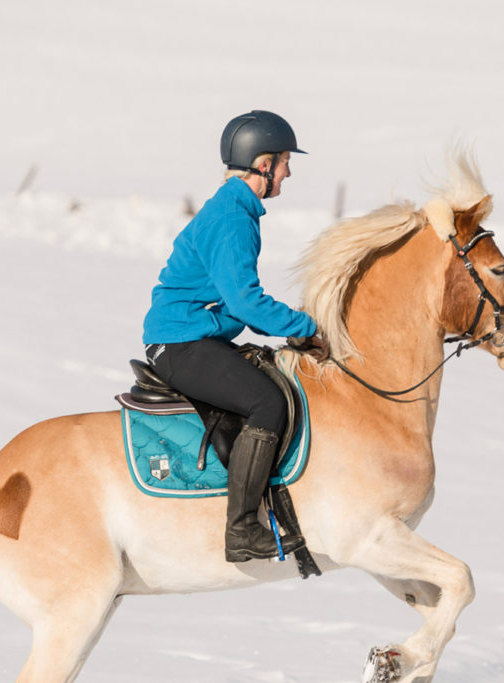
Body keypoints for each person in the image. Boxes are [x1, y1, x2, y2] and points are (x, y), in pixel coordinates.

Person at [142, 110, 329, 563]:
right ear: (262, 163)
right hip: (183, 343)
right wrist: (308, 327)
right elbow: (246, 303)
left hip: (194, 336)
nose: (289, 170)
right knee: (267, 402)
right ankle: (242, 529)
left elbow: (235, 302)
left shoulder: (235, 210)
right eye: (285, 160)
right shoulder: (231, 217)